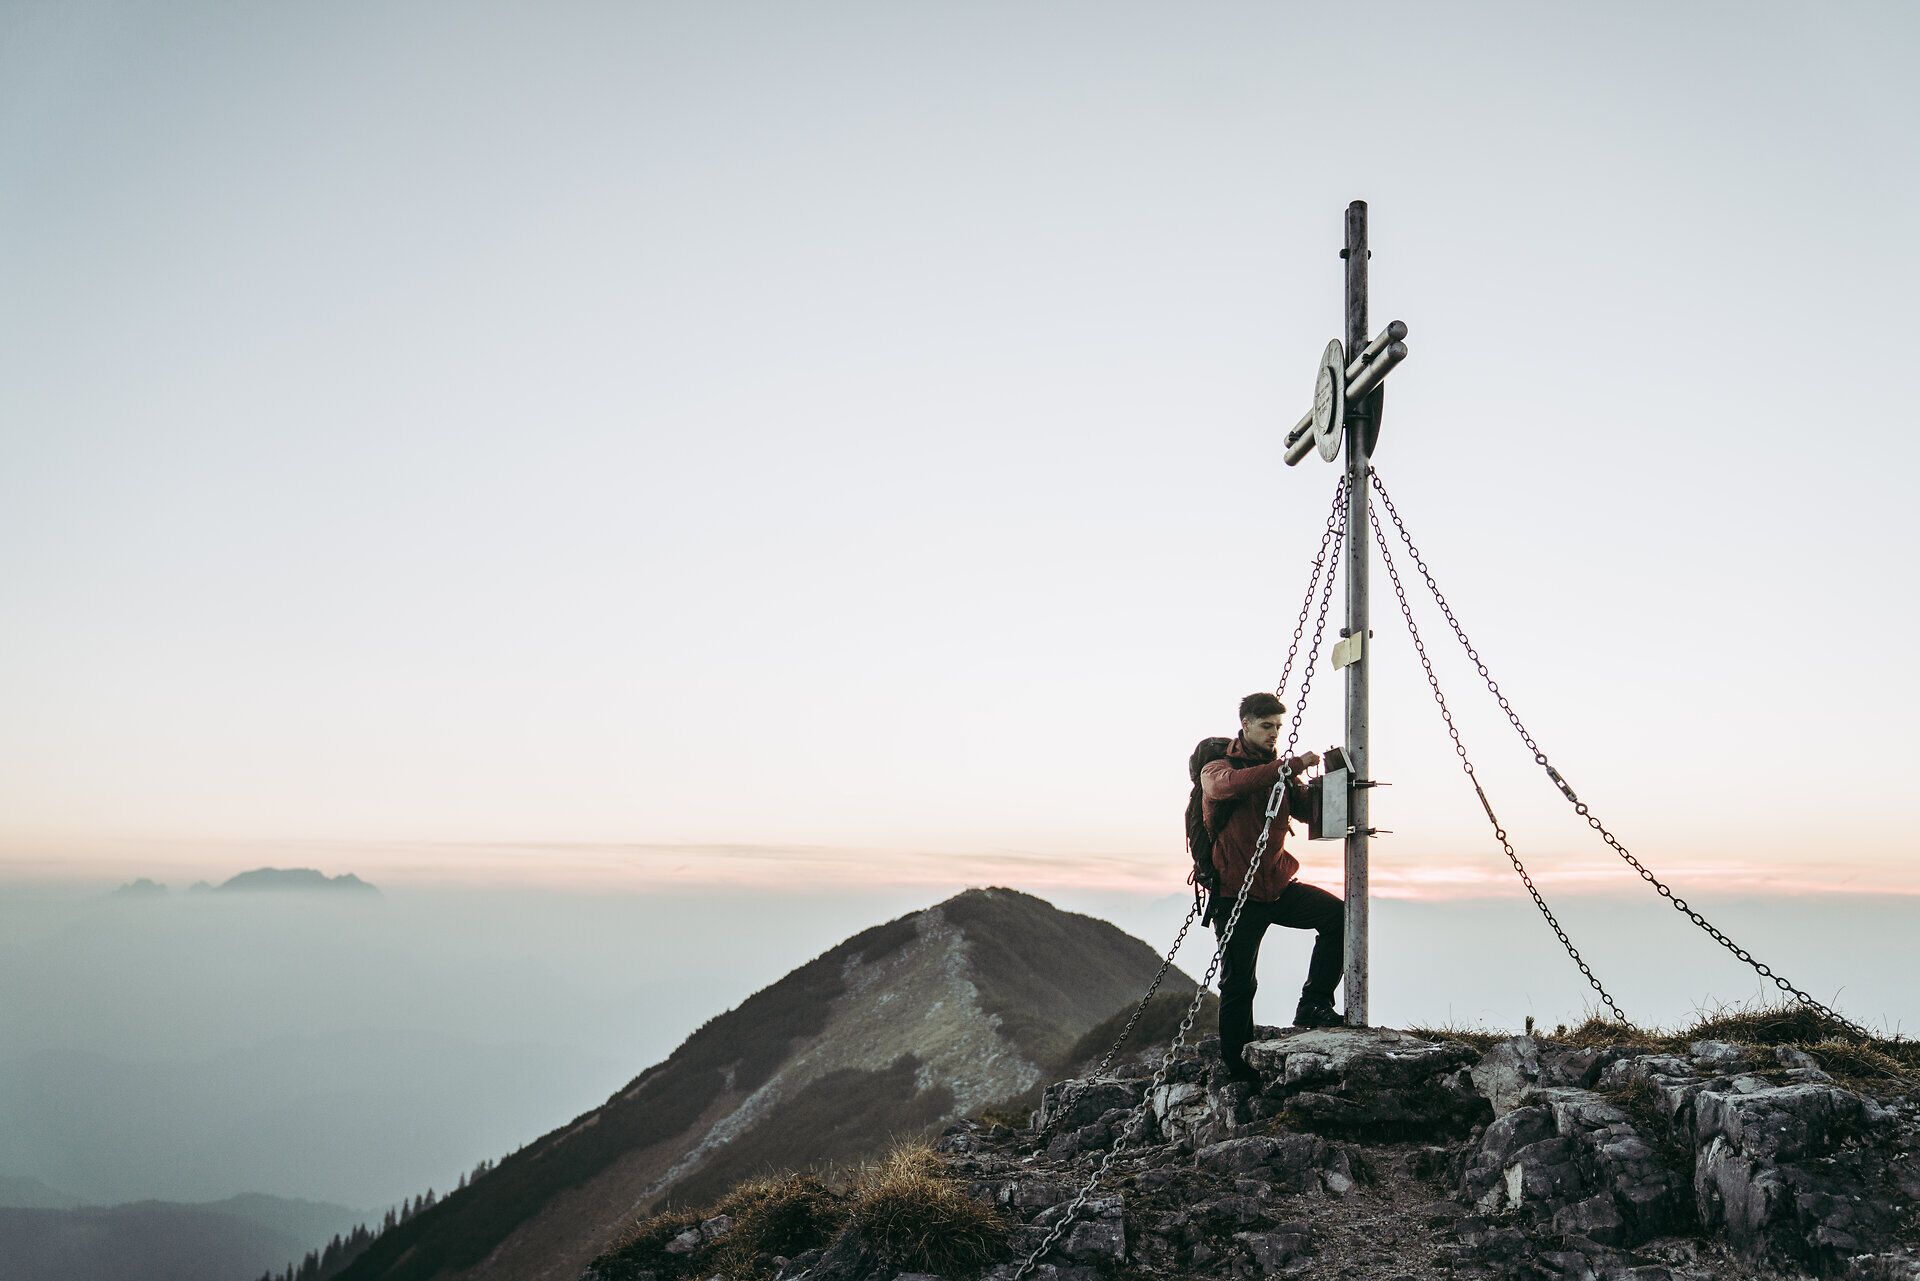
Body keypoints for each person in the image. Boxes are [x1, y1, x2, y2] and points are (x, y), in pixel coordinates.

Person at [1199, 691, 1345, 1081]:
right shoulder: (1218, 766)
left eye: (1278, 726)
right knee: (1239, 984)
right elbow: (1225, 787)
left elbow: (1303, 807)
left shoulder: (1277, 772)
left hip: (1277, 888)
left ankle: (1313, 1003)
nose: (1274, 733)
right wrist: (1291, 766)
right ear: (1245, 724)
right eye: (1266, 726)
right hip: (1236, 896)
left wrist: (1333, 781)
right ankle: (1237, 1066)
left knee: (1339, 918)